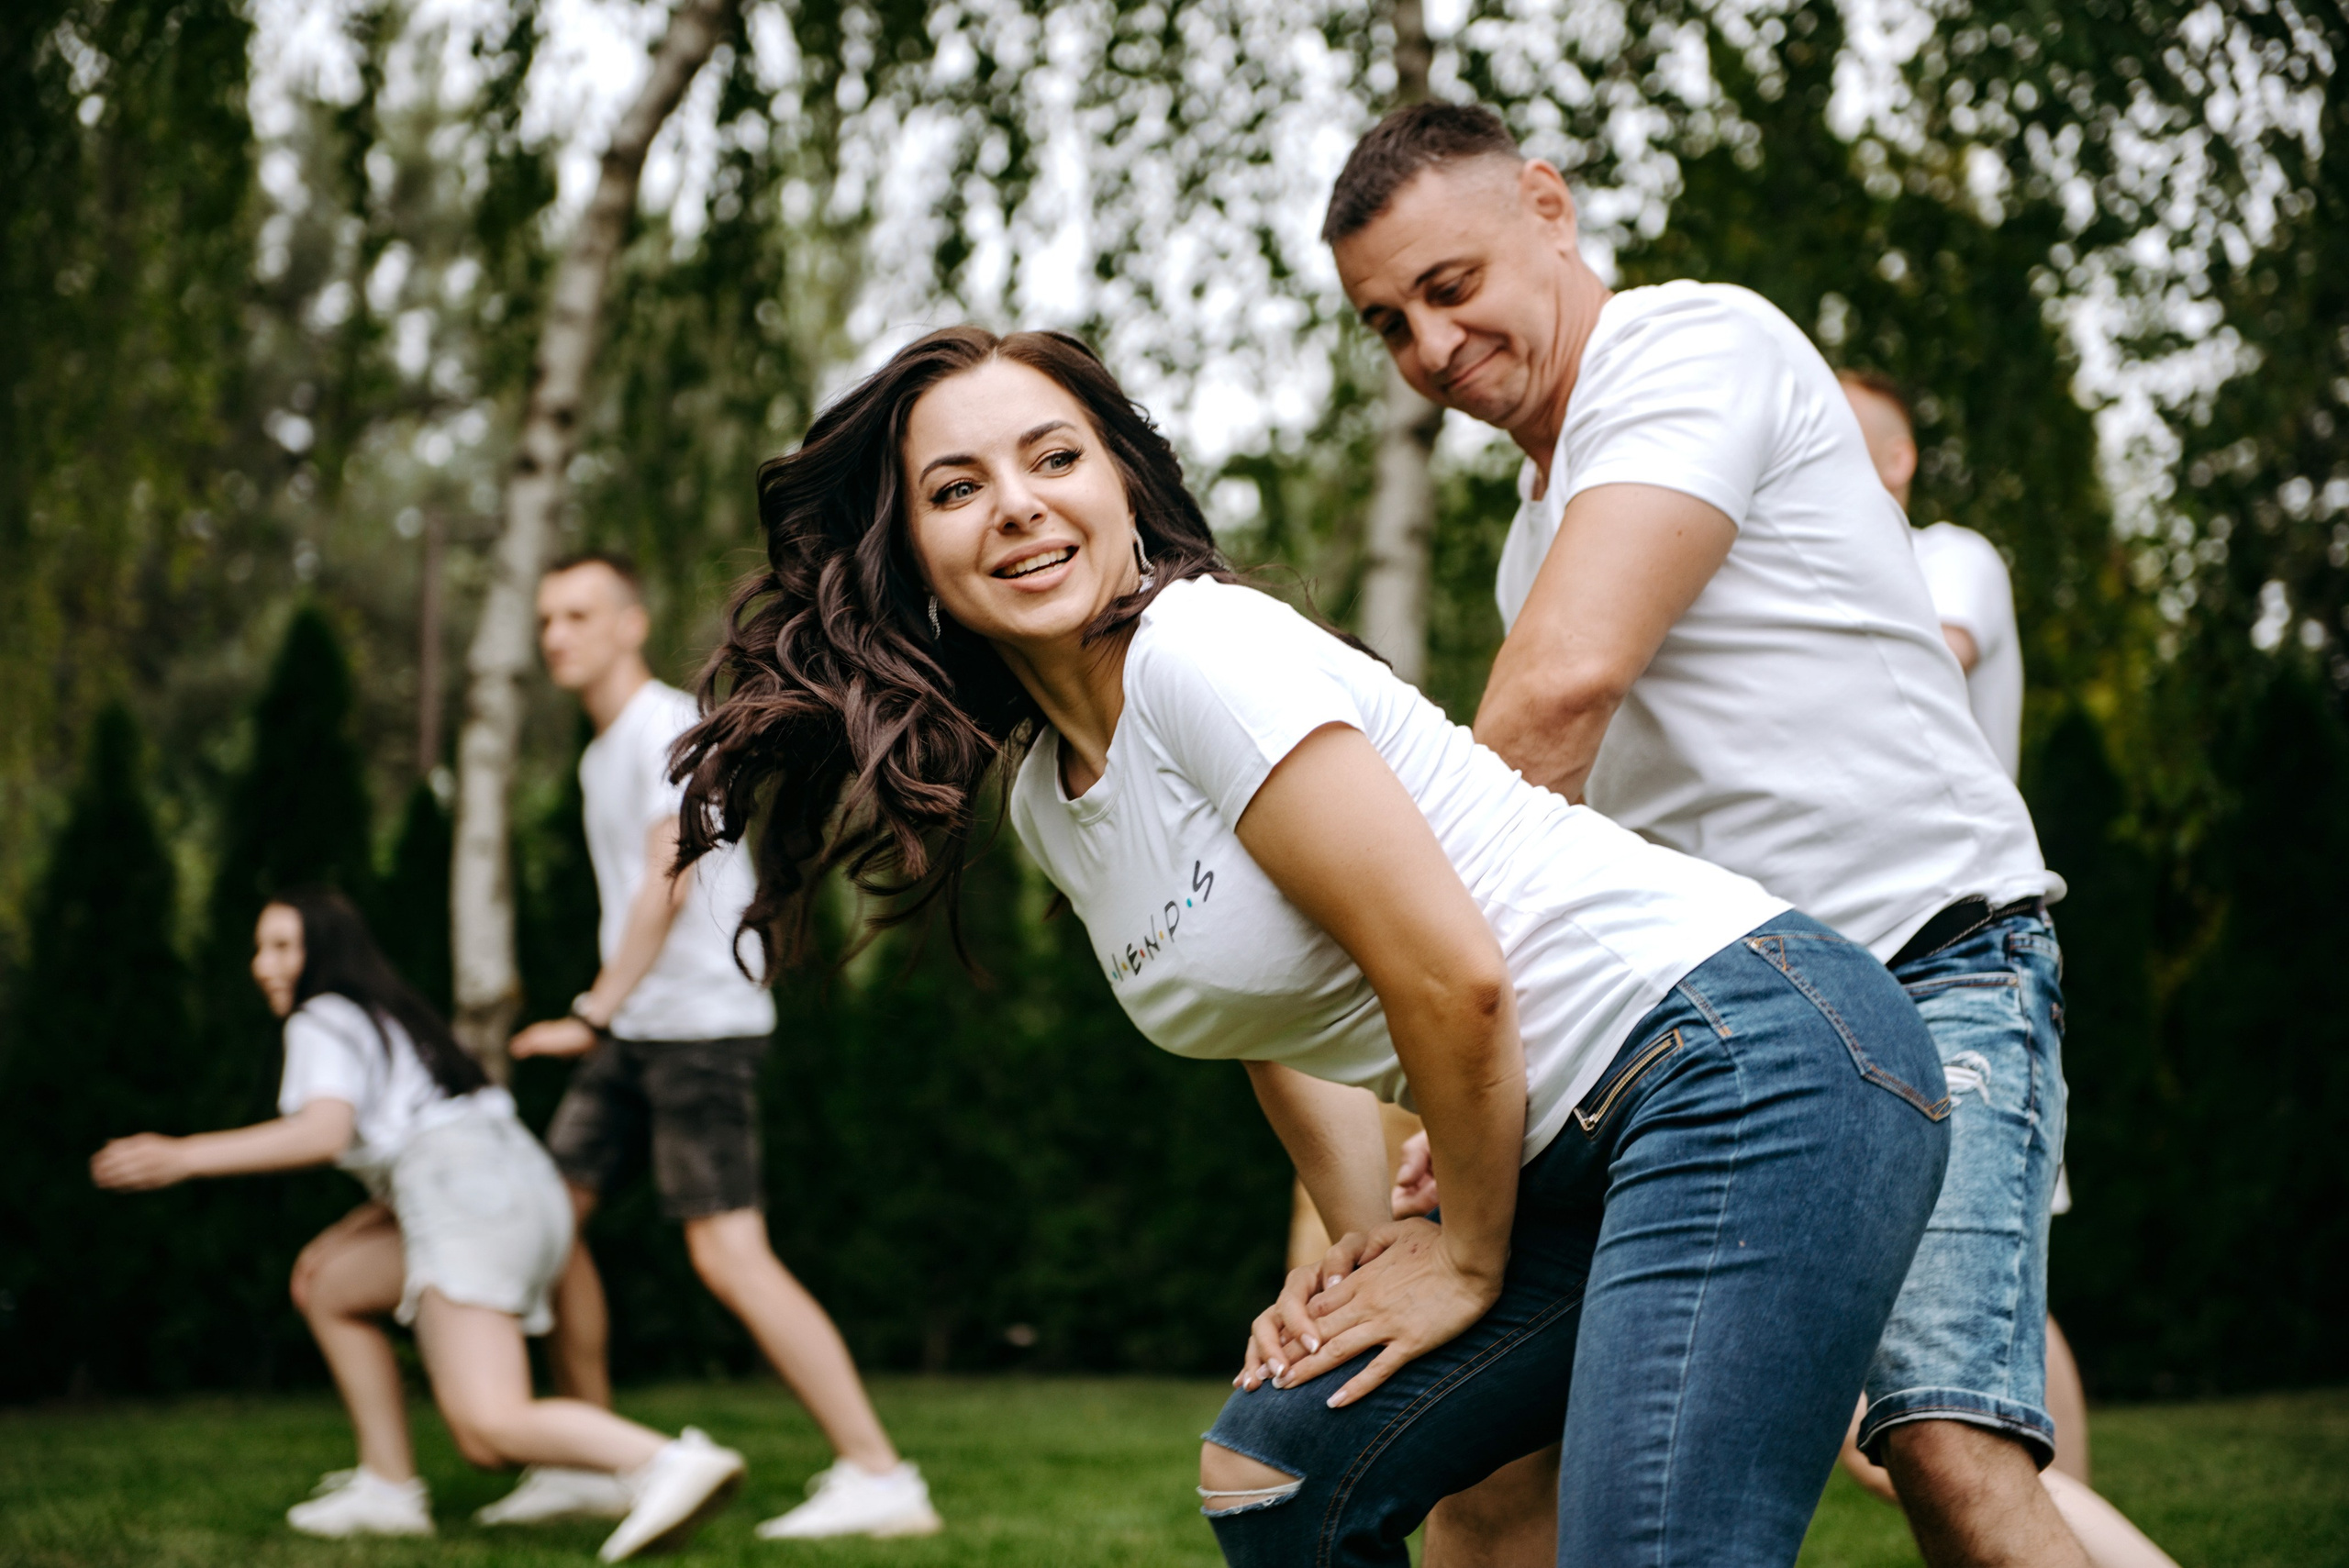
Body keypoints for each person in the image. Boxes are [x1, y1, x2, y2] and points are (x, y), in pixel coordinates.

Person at [665, 323, 1954, 1568]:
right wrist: (1371, 1272)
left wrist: (1459, 1260)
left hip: (1746, 1059)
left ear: (1123, 480)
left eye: (1054, 458)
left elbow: (1451, 973)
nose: (1015, 504)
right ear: (911, 554)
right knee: (1277, 1466)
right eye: (957, 487)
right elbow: (1271, 1030)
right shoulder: (1046, 798)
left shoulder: (1204, 649)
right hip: (1564, 1146)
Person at [1323, 102, 2076, 1568]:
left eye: (1449, 285)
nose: (1427, 349)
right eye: (1387, 322)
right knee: (1479, 1452)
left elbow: (1558, 693)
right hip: (1742, 1036)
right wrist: (1481, 1107)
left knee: (1944, 1452)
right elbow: (1581, 860)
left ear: (1548, 206)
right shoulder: (1527, 539)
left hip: (1936, 969)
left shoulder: (1691, 348)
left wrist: (1429, 1016)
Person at [89, 887, 744, 1560]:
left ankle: (664, 1462)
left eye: (284, 946)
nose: (264, 964)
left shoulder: (321, 1016)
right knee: (332, 1284)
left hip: (468, 1203)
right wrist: (341, 1235)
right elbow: (422, 1142)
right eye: (261, 948)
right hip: (525, 1191)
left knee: (490, 1426)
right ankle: (389, 1486)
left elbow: (325, 1131)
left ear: (326, 950)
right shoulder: (392, 1017)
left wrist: (183, 1155)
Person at [494, 552, 938, 1541]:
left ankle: (880, 1472)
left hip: (695, 1024)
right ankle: (593, 1460)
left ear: (629, 622)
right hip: (642, 1021)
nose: (556, 634)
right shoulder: (598, 750)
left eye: (576, 614)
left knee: (730, 1255)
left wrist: (595, 1006)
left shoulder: (659, 725)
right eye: (545, 620)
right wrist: (613, 1011)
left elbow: (671, 876)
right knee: (546, 1221)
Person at [1842, 369, 2178, 1568]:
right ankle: (2045, 1526)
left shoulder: (1945, 554)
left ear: (1892, 461)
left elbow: (1906, 671)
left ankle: (2053, 1525)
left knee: (1936, 1390)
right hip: (1892, 960)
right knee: (1997, 1321)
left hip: (1956, 952)